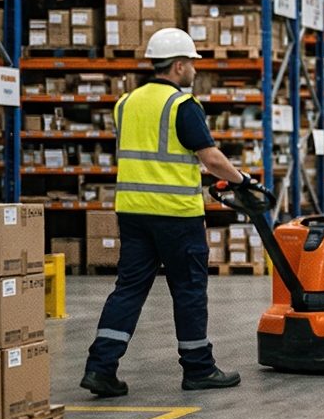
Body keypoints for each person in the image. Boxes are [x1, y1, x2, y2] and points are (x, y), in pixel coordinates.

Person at [81, 28, 249, 397]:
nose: (194, 70)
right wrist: (241, 180)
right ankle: (199, 369)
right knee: (188, 290)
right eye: (191, 63)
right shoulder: (182, 105)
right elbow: (210, 158)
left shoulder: (125, 102)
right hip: (176, 214)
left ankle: (100, 368)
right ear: (178, 65)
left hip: (132, 211)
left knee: (128, 289)